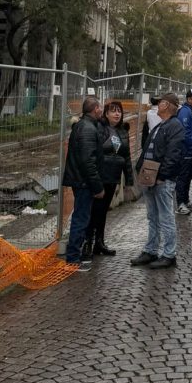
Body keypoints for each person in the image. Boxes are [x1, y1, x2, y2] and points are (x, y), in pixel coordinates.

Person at [131, 92, 185, 268]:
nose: (156, 106)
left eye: (159, 103)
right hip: (150, 178)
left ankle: (169, 254)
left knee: (165, 217)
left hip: (161, 180)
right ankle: (151, 250)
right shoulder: (161, 125)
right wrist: (141, 170)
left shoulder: (174, 126)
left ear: (167, 105)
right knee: (152, 216)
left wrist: (162, 176)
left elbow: (174, 154)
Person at [85, 101, 134, 257]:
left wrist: (129, 181)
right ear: (106, 114)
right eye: (113, 111)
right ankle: (88, 243)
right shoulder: (100, 128)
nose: (117, 114)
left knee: (103, 212)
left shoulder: (122, 131)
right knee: (95, 211)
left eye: (119, 111)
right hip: (100, 176)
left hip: (113, 177)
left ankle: (100, 243)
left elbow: (126, 157)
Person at [62, 95, 105, 269]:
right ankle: (73, 258)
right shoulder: (88, 128)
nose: (102, 110)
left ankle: (74, 254)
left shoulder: (83, 125)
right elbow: (88, 161)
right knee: (81, 218)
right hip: (84, 183)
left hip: (80, 180)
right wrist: (97, 186)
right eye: (100, 107)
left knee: (81, 217)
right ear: (95, 109)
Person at [175, 88, 192, 214]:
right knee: (183, 177)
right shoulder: (185, 111)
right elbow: (185, 131)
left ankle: (185, 201)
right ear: (189, 99)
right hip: (187, 152)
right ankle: (180, 203)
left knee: (188, 177)